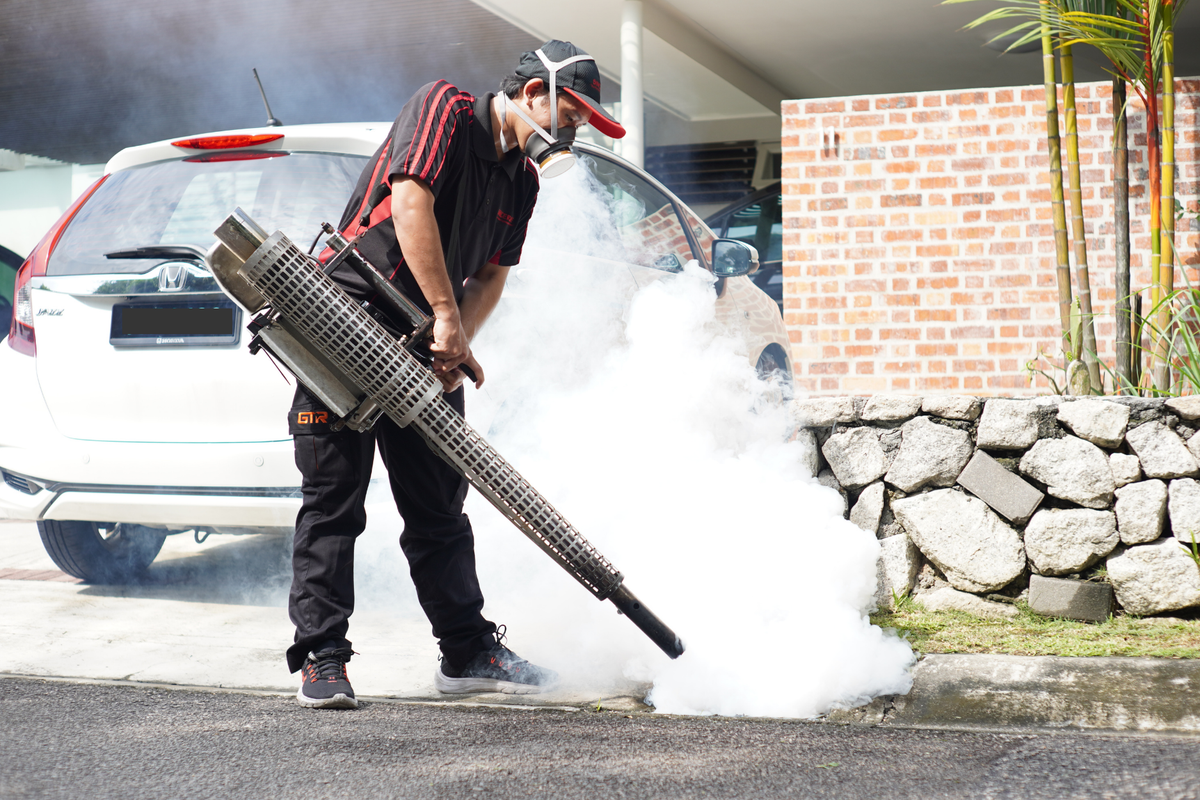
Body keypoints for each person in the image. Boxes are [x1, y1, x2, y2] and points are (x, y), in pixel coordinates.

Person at [286, 40, 627, 709]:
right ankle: (322, 657)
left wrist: (456, 340)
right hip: (344, 318)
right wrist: (444, 313)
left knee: (439, 508)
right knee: (334, 501)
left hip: (424, 344)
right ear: (533, 93)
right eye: (572, 111)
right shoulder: (442, 106)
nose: (574, 128)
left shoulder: (520, 182)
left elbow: (493, 273)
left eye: (585, 119)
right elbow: (410, 203)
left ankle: (467, 651)